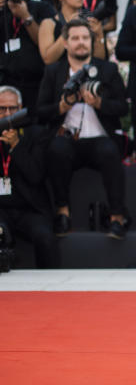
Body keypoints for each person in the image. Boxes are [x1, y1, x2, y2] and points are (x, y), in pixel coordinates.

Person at [35, 19, 128, 239]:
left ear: (92, 41)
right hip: (66, 138)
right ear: (65, 43)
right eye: (75, 38)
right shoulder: (53, 71)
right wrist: (61, 106)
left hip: (99, 137)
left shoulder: (107, 69)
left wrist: (99, 104)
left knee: (109, 151)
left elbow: (123, 107)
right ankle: (62, 213)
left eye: (85, 38)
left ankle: (117, 217)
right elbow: (40, 110)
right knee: (56, 149)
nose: (81, 43)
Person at [0, 85, 59, 268]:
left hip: (30, 208)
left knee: (45, 238)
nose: (8, 114)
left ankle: (50, 287)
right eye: (2, 109)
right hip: (1, 209)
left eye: (13, 109)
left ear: (21, 109)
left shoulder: (37, 134)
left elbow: (35, 175)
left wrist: (16, 146)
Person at [0, 0, 57, 109]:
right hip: (6, 84)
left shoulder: (44, 8)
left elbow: (44, 44)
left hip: (36, 84)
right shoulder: (2, 9)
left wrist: (26, 17)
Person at [40, 0, 107, 64]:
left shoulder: (88, 20)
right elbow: (48, 59)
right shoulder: (49, 23)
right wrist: (68, 28)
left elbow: (100, 60)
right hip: (60, 75)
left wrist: (100, 35)